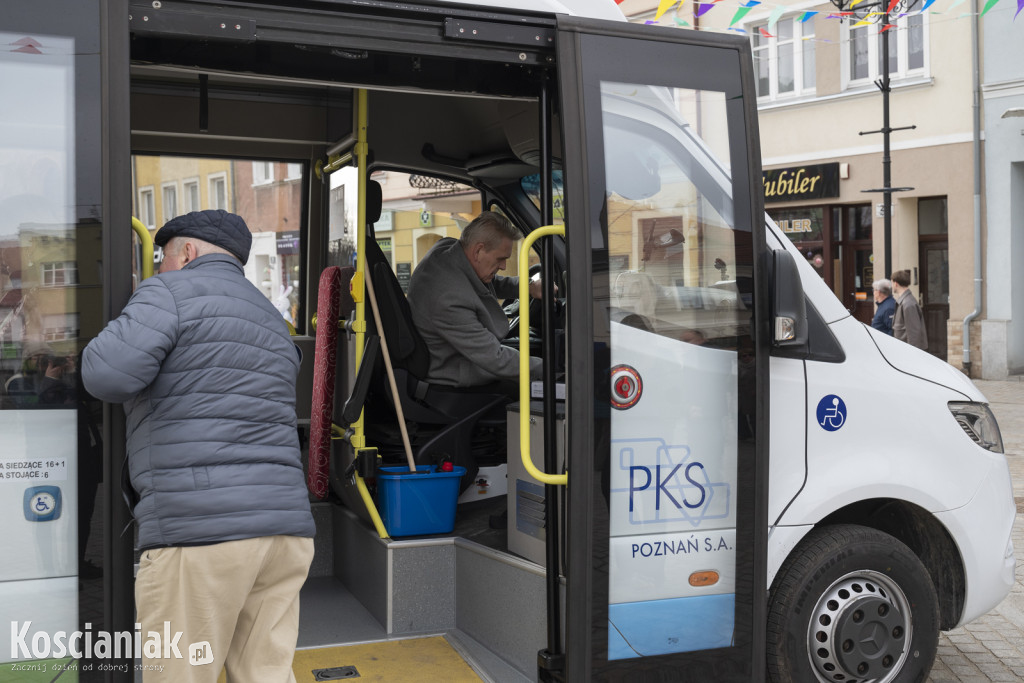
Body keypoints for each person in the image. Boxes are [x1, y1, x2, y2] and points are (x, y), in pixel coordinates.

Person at [82, 209, 315, 683]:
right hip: (285, 534)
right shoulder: (271, 315)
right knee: (266, 673)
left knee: (180, 673)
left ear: (186, 253)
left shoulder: (168, 291)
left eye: (162, 258)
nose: (159, 269)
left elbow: (105, 373)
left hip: (201, 533)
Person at [407, 210, 544, 391]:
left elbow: (490, 281)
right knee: (536, 393)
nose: (503, 266)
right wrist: (549, 368)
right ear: (478, 250)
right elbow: (494, 358)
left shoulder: (449, 251)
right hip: (453, 374)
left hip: (465, 355)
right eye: (500, 259)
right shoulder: (448, 298)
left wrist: (528, 286)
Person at [891, 269, 928, 350]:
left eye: (892, 283)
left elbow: (914, 334)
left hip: (907, 353)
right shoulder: (905, 302)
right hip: (903, 350)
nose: (892, 286)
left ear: (896, 283)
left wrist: (912, 355)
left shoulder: (908, 304)